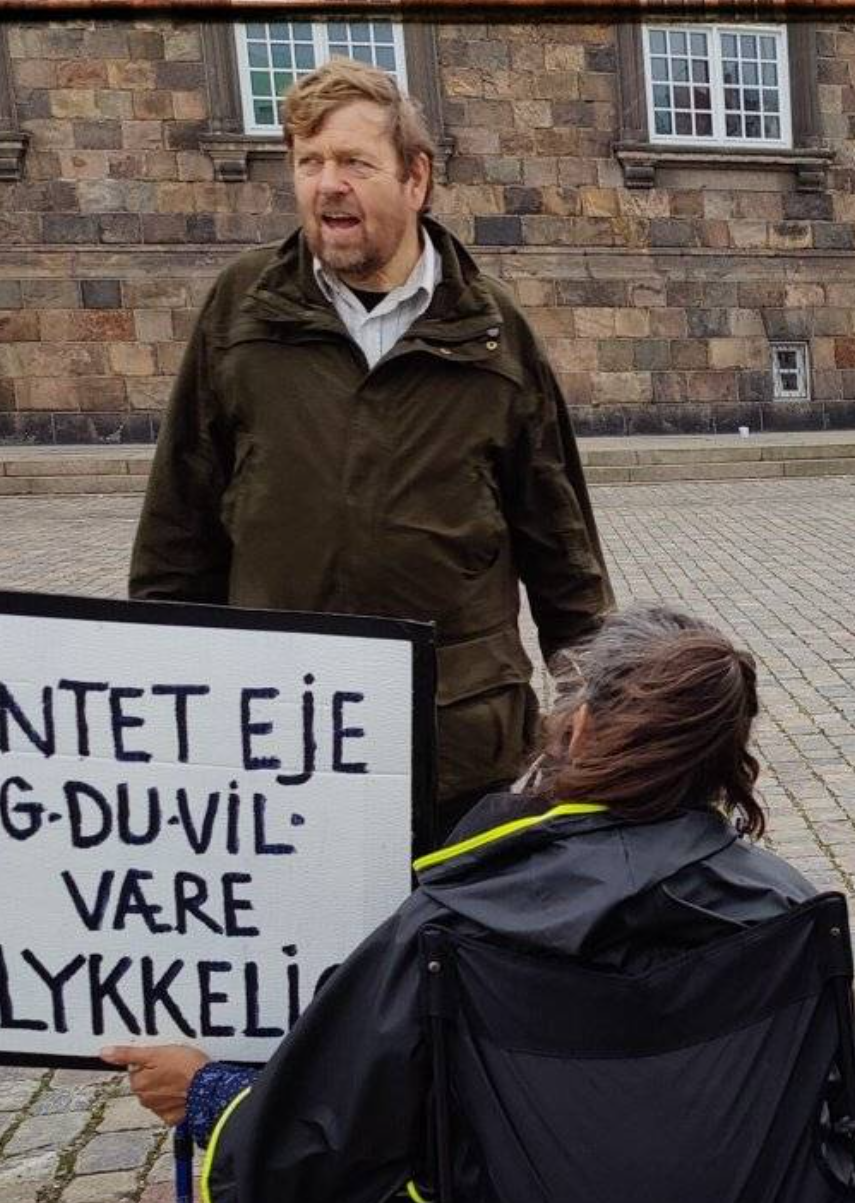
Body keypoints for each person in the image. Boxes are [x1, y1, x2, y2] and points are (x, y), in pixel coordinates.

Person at [105, 606, 849, 1203]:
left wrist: (205, 1093)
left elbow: (320, 1141)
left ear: (579, 728)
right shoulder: (788, 912)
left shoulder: (455, 921)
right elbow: (828, 1107)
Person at [128, 57, 610, 839]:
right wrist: (165, 694)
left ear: (416, 178)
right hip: (281, 735)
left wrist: (593, 707)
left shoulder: (492, 332)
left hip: (458, 745)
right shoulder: (242, 311)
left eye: (354, 162)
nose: (328, 186)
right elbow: (177, 532)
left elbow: (562, 549)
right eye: (308, 162)